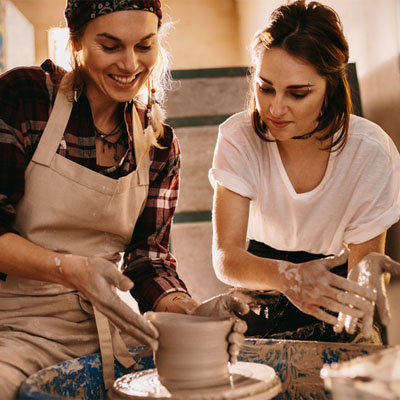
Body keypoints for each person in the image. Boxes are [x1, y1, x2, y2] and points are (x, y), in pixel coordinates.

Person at [0, 1, 248, 398]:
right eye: (110, 46)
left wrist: (190, 312)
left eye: (144, 46)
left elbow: (147, 260)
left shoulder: (159, 145)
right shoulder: (26, 98)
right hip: (13, 331)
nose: (130, 64)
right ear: (76, 41)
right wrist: (72, 270)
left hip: (106, 332)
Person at [209, 0, 400, 344]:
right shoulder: (239, 137)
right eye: (265, 88)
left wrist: (368, 279)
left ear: (330, 88)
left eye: (298, 94)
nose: (275, 108)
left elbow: (362, 269)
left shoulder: (370, 151)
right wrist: (290, 277)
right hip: (261, 286)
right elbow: (226, 258)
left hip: (337, 291)